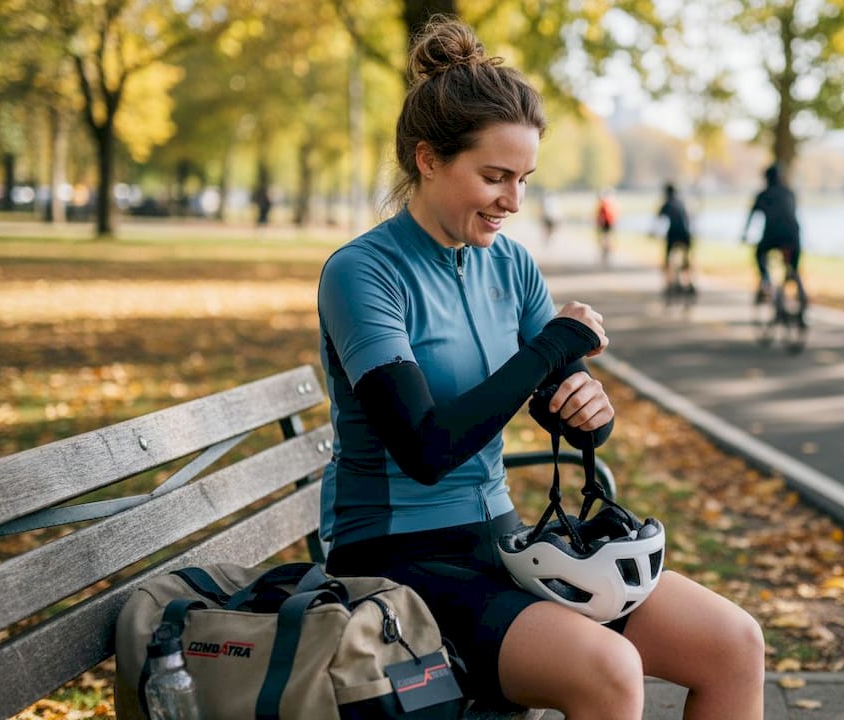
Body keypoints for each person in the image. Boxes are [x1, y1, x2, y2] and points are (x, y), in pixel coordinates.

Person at [316, 16, 764, 720]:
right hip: (394, 560)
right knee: (609, 670)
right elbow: (426, 446)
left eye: (523, 179)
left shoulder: (513, 263)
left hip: (498, 537)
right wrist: (554, 348)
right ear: (428, 159)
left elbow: (548, 392)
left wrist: (587, 407)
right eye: (494, 177)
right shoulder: (363, 274)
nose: (514, 202)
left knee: (732, 642)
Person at [742, 164, 806, 309]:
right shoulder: (790, 193)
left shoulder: (763, 195)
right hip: (793, 236)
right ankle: (795, 283)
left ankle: (766, 280)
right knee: (793, 267)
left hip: (772, 236)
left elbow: (752, 216)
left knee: (759, 254)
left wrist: (745, 234)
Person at [656, 182, 695, 296]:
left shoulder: (667, 203)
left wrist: (653, 232)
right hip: (686, 234)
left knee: (668, 259)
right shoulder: (682, 202)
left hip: (673, 234)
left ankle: (669, 283)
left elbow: (659, 218)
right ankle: (688, 282)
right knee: (686, 259)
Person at [594, 187, 617, 267]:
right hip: (610, 222)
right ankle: (607, 250)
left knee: (605, 237)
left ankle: (607, 250)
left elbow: (601, 215)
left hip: (606, 223)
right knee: (607, 237)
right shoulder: (611, 203)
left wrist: (598, 222)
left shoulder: (604, 204)